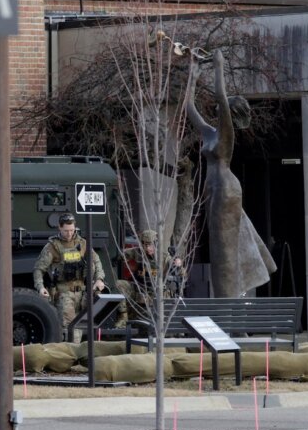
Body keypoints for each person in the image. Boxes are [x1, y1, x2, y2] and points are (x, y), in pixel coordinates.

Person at [186, 49, 275, 297]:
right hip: (214, 190)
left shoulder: (226, 136)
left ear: (231, 115)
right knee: (219, 251)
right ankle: (230, 306)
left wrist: (219, 66)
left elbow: (222, 98)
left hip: (225, 190)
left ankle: (229, 308)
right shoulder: (210, 133)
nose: (216, 108)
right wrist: (193, 74)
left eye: (222, 108)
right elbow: (189, 108)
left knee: (224, 252)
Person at [32, 213, 106, 342]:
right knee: (70, 330)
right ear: (59, 228)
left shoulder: (82, 243)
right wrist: (40, 287)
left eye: (72, 230)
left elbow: (97, 261)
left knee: (86, 327)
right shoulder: (52, 247)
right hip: (64, 293)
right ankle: (71, 356)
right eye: (66, 230)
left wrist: (99, 279)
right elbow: (39, 269)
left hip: (83, 293)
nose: (69, 233)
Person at [117, 229, 185, 323]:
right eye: (145, 245)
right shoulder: (137, 253)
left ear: (156, 244)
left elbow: (181, 273)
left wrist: (178, 265)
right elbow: (121, 254)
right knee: (119, 284)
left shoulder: (164, 257)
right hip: (139, 289)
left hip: (156, 294)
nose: (148, 248)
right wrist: (121, 256)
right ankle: (123, 319)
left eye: (151, 244)